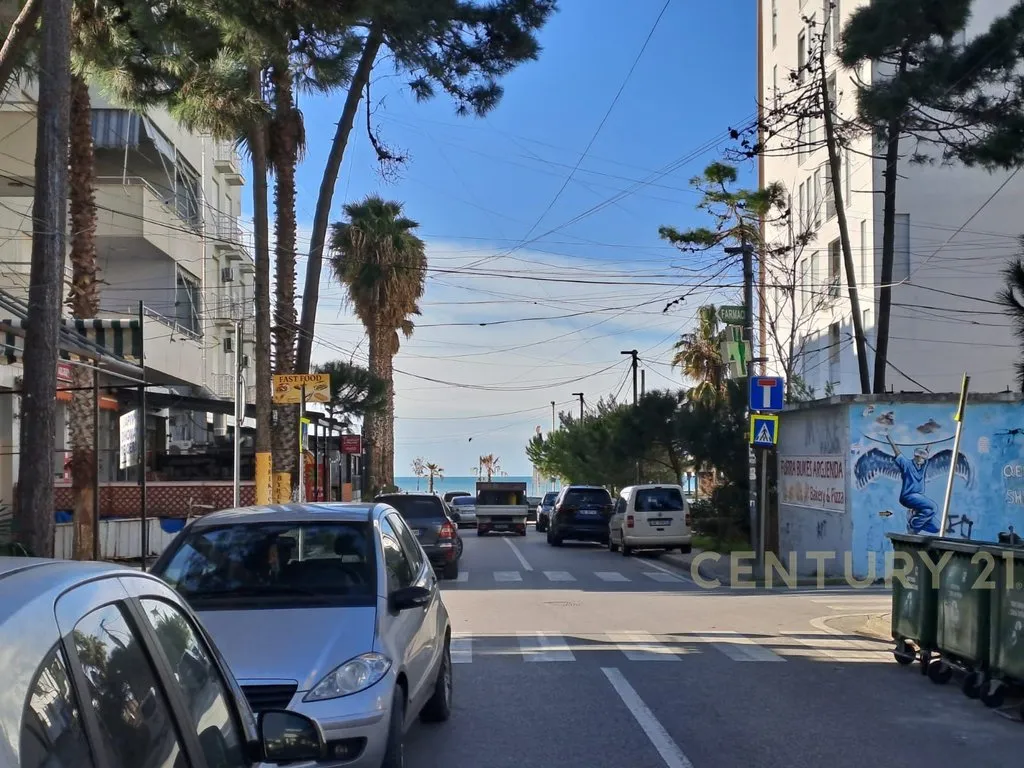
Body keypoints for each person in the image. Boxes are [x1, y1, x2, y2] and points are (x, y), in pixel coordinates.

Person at [886, 435, 940, 534]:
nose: (920, 460)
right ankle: (913, 524)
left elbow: (927, 450)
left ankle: (915, 519)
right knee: (933, 507)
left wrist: (934, 437)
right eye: (918, 457)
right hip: (908, 496)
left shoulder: (923, 467)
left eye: (923, 458)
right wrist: (888, 436)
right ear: (915, 456)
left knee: (937, 527)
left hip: (919, 500)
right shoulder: (907, 464)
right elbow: (897, 452)